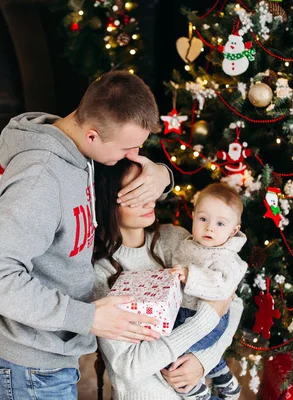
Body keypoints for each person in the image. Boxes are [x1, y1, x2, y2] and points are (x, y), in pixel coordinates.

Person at [0, 71, 175, 400]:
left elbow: (125, 188)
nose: (135, 155)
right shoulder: (39, 179)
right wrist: (88, 317)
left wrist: (163, 175)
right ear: (93, 136)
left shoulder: (80, 150)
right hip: (30, 365)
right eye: (128, 149)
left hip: (48, 355)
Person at [93, 159, 244, 400]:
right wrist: (205, 320)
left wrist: (201, 361)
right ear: (107, 200)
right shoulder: (100, 272)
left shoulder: (177, 239)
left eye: (148, 188)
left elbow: (232, 303)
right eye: (135, 192)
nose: (149, 199)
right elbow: (129, 366)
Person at [169, 183, 248, 399]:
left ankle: (199, 392)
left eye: (220, 223)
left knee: (173, 358)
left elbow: (221, 286)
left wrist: (189, 275)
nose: (209, 228)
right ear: (193, 216)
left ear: (233, 231)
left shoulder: (228, 257)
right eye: (203, 219)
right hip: (184, 314)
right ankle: (224, 379)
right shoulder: (189, 244)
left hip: (210, 320)